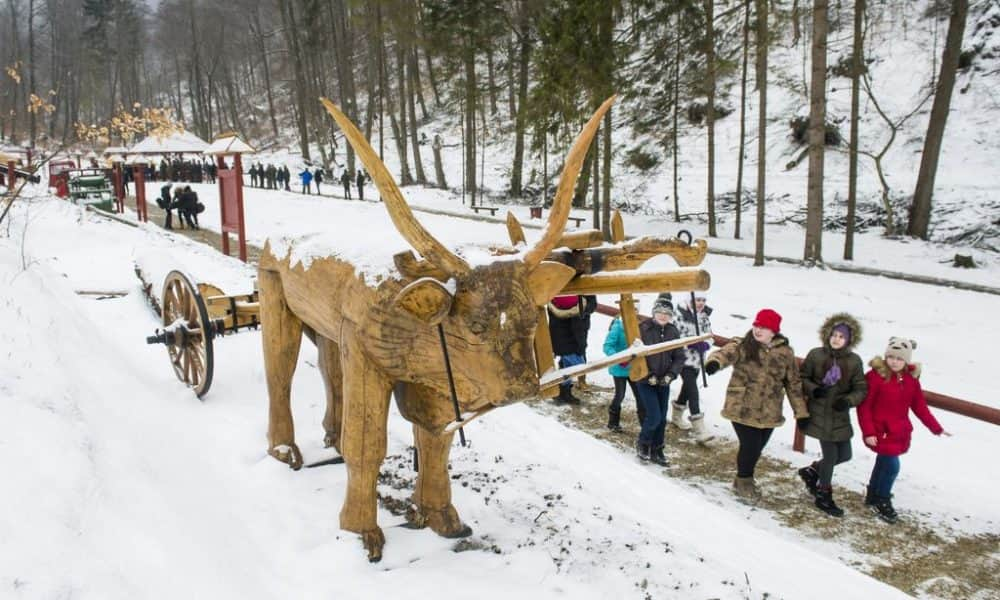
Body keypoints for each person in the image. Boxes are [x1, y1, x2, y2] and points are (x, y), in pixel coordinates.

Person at [704, 308, 809, 502]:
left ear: (774, 331)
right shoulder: (743, 345)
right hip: (741, 406)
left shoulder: (785, 353)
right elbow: (725, 353)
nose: (758, 330)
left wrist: (800, 413)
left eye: (764, 327)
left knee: (757, 447)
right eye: (756, 325)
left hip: (770, 411)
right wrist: (714, 362)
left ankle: (743, 479)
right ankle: (744, 481)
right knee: (750, 445)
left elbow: (793, 384)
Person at [857, 337, 950, 524]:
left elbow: (919, 407)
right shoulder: (875, 377)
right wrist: (869, 432)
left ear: (906, 360)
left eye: (899, 358)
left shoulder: (910, 381)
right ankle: (882, 499)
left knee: (883, 462)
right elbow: (864, 407)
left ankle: (873, 494)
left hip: (899, 431)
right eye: (891, 357)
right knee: (892, 466)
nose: (894, 361)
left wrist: (936, 428)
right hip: (879, 431)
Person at [796, 314, 868, 517]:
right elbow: (802, 378)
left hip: (839, 414)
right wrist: (814, 389)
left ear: (849, 340)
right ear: (827, 335)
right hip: (819, 413)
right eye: (834, 335)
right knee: (831, 456)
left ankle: (812, 471)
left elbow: (861, 388)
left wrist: (848, 401)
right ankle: (823, 493)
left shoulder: (854, 361)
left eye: (841, 337)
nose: (836, 339)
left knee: (845, 455)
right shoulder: (816, 355)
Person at [635, 295, 685, 465]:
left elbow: (679, 357)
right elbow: (637, 355)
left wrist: (671, 375)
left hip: (664, 381)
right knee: (654, 415)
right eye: (660, 312)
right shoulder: (644, 328)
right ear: (654, 312)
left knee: (662, 418)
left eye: (667, 313)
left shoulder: (673, 331)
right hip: (646, 380)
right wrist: (648, 376)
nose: (663, 316)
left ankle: (658, 449)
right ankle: (643, 444)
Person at [673, 291, 714, 441]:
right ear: (689, 299)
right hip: (683, 359)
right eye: (698, 299)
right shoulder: (679, 314)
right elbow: (675, 335)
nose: (701, 303)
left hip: (698, 359)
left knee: (687, 388)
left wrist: (705, 344)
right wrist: (690, 342)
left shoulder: (704, 316)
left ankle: (676, 415)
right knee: (692, 390)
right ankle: (699, 428)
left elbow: (710, 335)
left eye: (703, 300)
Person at [547, 294, 597, 405]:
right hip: (569, 337)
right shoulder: (559, 290)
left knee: (568, 366)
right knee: (579, 366)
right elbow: (592, 305)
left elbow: (592, 305)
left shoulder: (555, 296)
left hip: (571, 336)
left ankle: (563, 393)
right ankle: (560, 389)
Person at [602, 305, 643, 433]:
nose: (633, 314)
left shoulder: (639, 327)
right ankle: (613, 422)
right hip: (619, 368)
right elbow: (607, 346)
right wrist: (619, 358)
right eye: (630, 310)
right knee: (620, 395)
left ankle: (645, 424)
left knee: (641, 396)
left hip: (634, 368)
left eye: (635, 311)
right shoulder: (617, 327)